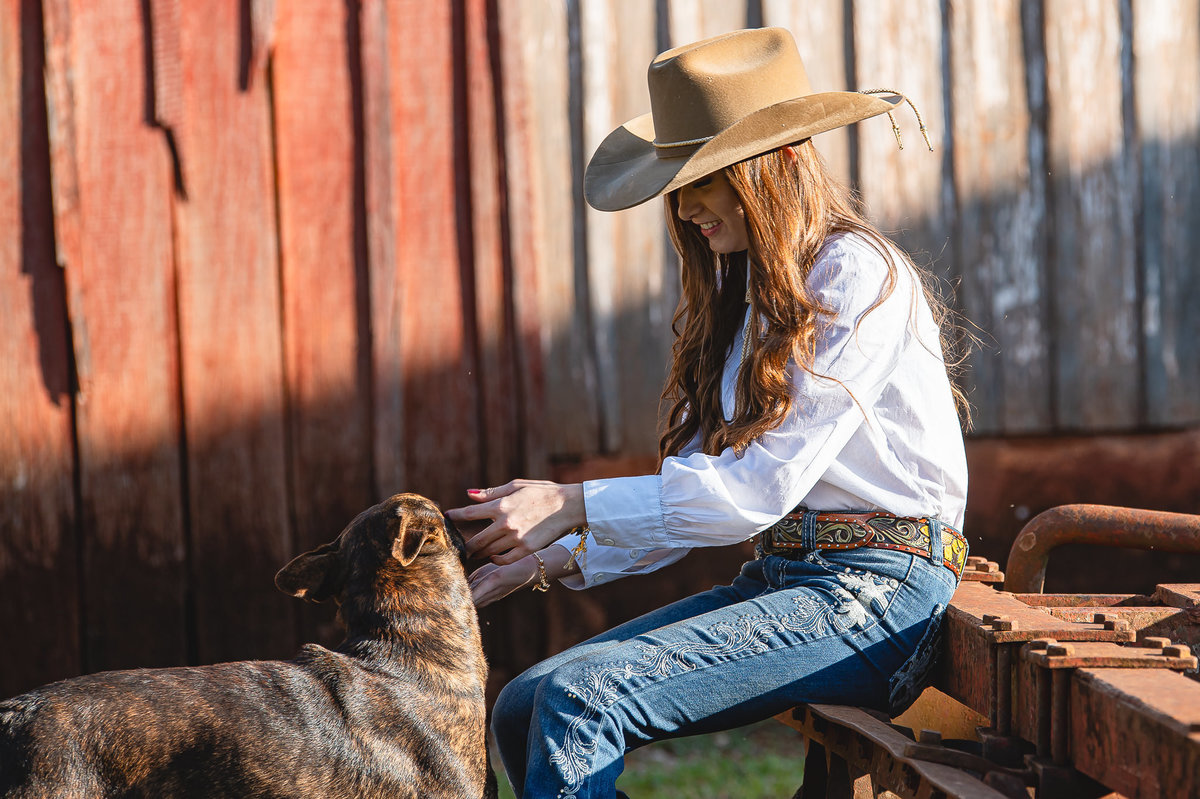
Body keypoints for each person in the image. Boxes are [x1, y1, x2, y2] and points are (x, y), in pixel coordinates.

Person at [446, 26, 970, 799]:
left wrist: (571, 502)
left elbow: (752, 495)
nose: (685, 206)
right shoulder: (752, 299)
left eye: (707, 178)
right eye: (678, 183)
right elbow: (699, 492)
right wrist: (552, 557)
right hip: (793, 577)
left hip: (878, 594)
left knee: (579, 701)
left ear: (778, 164)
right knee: (525, 707)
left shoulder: (856, 275)